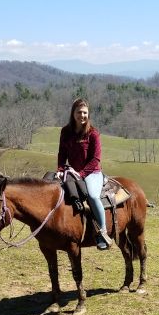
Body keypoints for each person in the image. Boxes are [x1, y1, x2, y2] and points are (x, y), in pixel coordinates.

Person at [57, 98, 112, 250]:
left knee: (92, 196)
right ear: (73, 113)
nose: (82, 115)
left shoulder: (93, 133)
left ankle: (102, 231)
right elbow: (62, 153)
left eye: (85, 113)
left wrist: (80, 174)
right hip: (72, 171)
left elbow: (96, 159)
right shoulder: (65, 132)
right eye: (79, 112)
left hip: (92, 172)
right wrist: (60, 170)